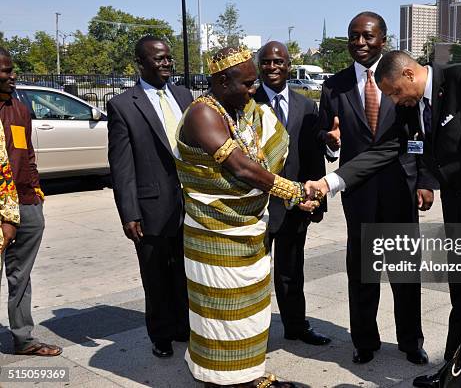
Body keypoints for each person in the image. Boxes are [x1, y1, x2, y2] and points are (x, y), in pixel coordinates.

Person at [308, 49, 461, 386]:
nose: (395, 101)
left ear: (409, 74)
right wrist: (330, 181)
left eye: (395, 92)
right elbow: (385, 149)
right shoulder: (412, 108)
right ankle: (454, 375)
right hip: (457, 210)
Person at [176, 46, 318, 387]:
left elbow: (270, 142)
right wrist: (296, 192)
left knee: (249, 312)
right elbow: (242, 167)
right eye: (248, 84)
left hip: (248, 228)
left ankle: (247, 374)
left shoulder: (240, 108)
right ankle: (222, 379)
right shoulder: (203, 114)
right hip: (214, 232)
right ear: (223, 81)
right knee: (220, 313)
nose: (254, 90)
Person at [318, 12, 435, 365]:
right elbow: (327, 139)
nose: (360, 43)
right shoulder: (333, 87)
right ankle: (364, 341)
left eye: (367, 36)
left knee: (404, 271)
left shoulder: (400, 78)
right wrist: (331, 144)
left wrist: (426, 181)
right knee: (363, 271)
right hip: (360, 193)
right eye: (353, 36)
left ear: (384, 39)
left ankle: (411, 341)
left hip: (402, 187)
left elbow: (421, 133)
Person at [107, 36, 193, 358]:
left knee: (186, 273)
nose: (167, 63)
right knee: (156, 277)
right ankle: (161, 336)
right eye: (159, 59)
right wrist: (129, 212)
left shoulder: (184, 96)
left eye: (169, 58)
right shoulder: (123, 105)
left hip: (191, 204)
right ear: (140, 64)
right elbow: (122, 166)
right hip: (151, 207)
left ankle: (184, 328)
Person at [255, 41, 331, 346]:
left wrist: (317, 201)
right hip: (256, 206)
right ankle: (253, 333)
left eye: (278, 62)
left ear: (289, 66)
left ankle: (296, 326)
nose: (272, 67)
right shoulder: (247, 102)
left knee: (291, 272)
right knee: (253, 275)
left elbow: (313, 156)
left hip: (294, 205)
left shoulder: (305, 106)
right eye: (266, 62)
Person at [0, 48, 60, 356]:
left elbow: (27, 155)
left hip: (25, 203)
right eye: (5, 71)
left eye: (12, 70)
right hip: (0, 208)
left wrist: (35, 193)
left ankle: (23, 339)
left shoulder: (19, 108)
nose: (13, 76)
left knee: (20, 276)